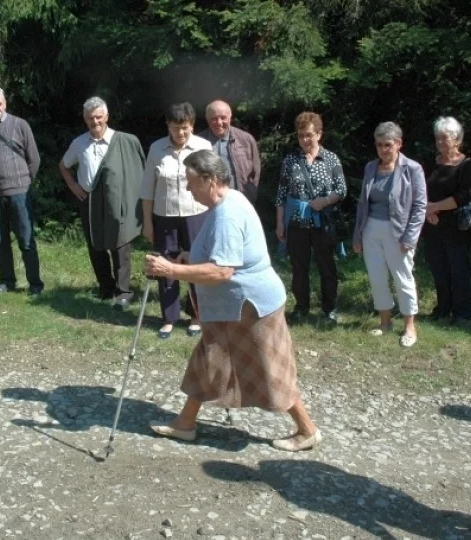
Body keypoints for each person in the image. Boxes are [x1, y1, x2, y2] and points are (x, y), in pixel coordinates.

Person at [144, 150, 322, 451]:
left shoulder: (227, 213)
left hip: (250, 308)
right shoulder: (229, 201)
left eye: (191, 182)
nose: (188, 189)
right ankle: (185, 423)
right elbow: (221, 257)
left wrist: (172, 269)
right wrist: (191, 259)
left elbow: (223, 270)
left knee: (270, 370)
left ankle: (308, 430)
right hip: (234, 308)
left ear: (210, 180)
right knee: (208, 360)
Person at [59, 97, 145, 309]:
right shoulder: (79, 143)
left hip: (119, 200)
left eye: (98, 117)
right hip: (89, 200)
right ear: (85, 119)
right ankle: (105, 288)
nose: (95, 121)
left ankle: (123, 291)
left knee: (120, 244)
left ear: (106, 116)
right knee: (95, 245)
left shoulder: (123, 140)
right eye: (90, 118)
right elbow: (63, 165)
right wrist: (73, 186)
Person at [141, 102, 212, 338]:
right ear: (168, 126)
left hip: (197, 214)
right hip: (164, 216)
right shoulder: (156, 148)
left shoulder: (203, 146)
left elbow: (212, 185)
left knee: (196, 263)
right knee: (165, 265)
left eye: (185, 127)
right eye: (175, 128)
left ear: (192, 125)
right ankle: (169, 317)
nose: (180, 133)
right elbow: (147, 189)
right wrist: (148, 223)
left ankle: (196, 315)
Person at [352, 121, 426, 347]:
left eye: (388, 145)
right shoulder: (370, 167)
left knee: (403, 278)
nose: (383, 150)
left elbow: (420, 206)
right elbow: (363, 204)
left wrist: (410, 238)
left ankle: (409, 326)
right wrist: (357, 235)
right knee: (376, 277)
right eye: (379, 145)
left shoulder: (412, 169)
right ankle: (385, 322)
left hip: (399, 232)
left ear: (399, 144)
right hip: (371, 228)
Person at [274, 112, 346, 324]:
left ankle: (330, 309)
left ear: (319, 134)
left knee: (327, 267)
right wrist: (279, 223)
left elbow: (341, 190)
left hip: (323, 222)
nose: (305, 140)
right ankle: (301, 307)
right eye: (300, 135)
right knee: (299, 268)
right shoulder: (290, 160)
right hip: (297, 222)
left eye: (309, 135)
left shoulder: (331, 159)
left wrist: (323, 202)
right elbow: (281, 193)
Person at [0, 86, 44, 295]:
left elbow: (35, 159)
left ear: (5, 104)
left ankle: (35, 284)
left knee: (26, 239)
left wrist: (23, 182)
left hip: (20, 193)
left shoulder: (20, 125)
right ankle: (7, 281)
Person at [421, 116, 471, 326]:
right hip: (432, 225)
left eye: (445, 138)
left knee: (458, 270)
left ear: (457, 139)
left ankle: (462, 313)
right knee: (438, 268)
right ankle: (443, 308)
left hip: (456, 226)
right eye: (438, 138)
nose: (440, 142)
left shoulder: (466, 165)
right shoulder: (431, 163)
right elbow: (420, 188)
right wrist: (427, 210)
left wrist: (435, 207)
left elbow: (465, 194)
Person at [198, 100, 261, 203]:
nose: (219, 122)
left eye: (223, 117)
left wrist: (251, 194)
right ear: (207, 119)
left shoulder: (246, 140)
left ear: (230, 116)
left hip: (240, 200)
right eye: (214, 118)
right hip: (208, 203)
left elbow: (256, 171)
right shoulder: (198, 142)